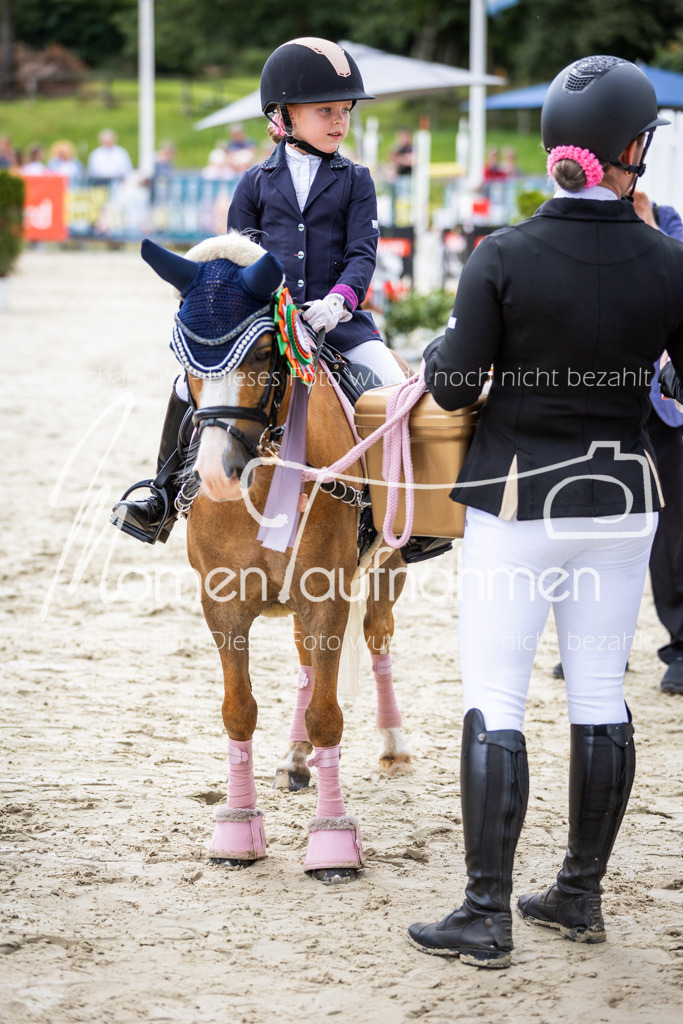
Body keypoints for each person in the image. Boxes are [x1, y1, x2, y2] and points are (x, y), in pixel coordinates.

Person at [406, 55, 683, 968]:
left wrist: (453, 339)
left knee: (497, 697)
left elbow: (448, 388)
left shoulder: (503, 254)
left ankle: (486, 914)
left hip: (519, 499)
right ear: (630, 151)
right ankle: (577, 896)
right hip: (622, 502)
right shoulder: (670, 261)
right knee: (601, 695)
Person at [111, 37, 414, 550]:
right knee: (187, 389)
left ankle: (407, 516)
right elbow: (236, 260)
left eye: (345, 111)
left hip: (338, 323)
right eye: (326, 111)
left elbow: (363, 252)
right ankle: (161, 495)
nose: (340, 121)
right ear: (284, 114)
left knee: (390, 388)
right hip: (265, 327)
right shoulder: (253, 182)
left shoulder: (357, 180)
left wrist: (339, 299)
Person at [551, 191, 683, 694]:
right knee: (591, 519)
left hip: (666, 404)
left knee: (673, 533)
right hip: (602, 397)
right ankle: (597, 644)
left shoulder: (668, 224)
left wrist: (648, 228)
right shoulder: (577, 223)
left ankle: (680, 645)